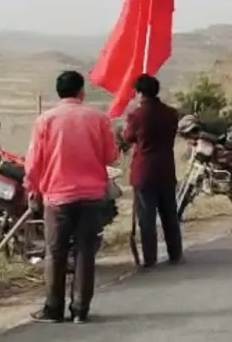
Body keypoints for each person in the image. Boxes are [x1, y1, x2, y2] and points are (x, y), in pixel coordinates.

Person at [26, 70, 119, 324]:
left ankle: (53, 309)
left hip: (57, 197)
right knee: (85, 252)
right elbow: (111, 156)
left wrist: (32, 189)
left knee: (55, 252)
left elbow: (33, 163)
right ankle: (80, 309)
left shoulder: (45, 120)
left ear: (59, 92)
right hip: (91, 196)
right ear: (81, 92)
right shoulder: (98, 118)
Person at [122, 74, 183, 269]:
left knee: (147, 218)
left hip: (144, 171)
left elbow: (128, 137)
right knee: (169, 214)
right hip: (166, 169)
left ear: (139, 93)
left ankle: (150, 258)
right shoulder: (171, 113)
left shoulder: (137, 116)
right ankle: (175, 253)